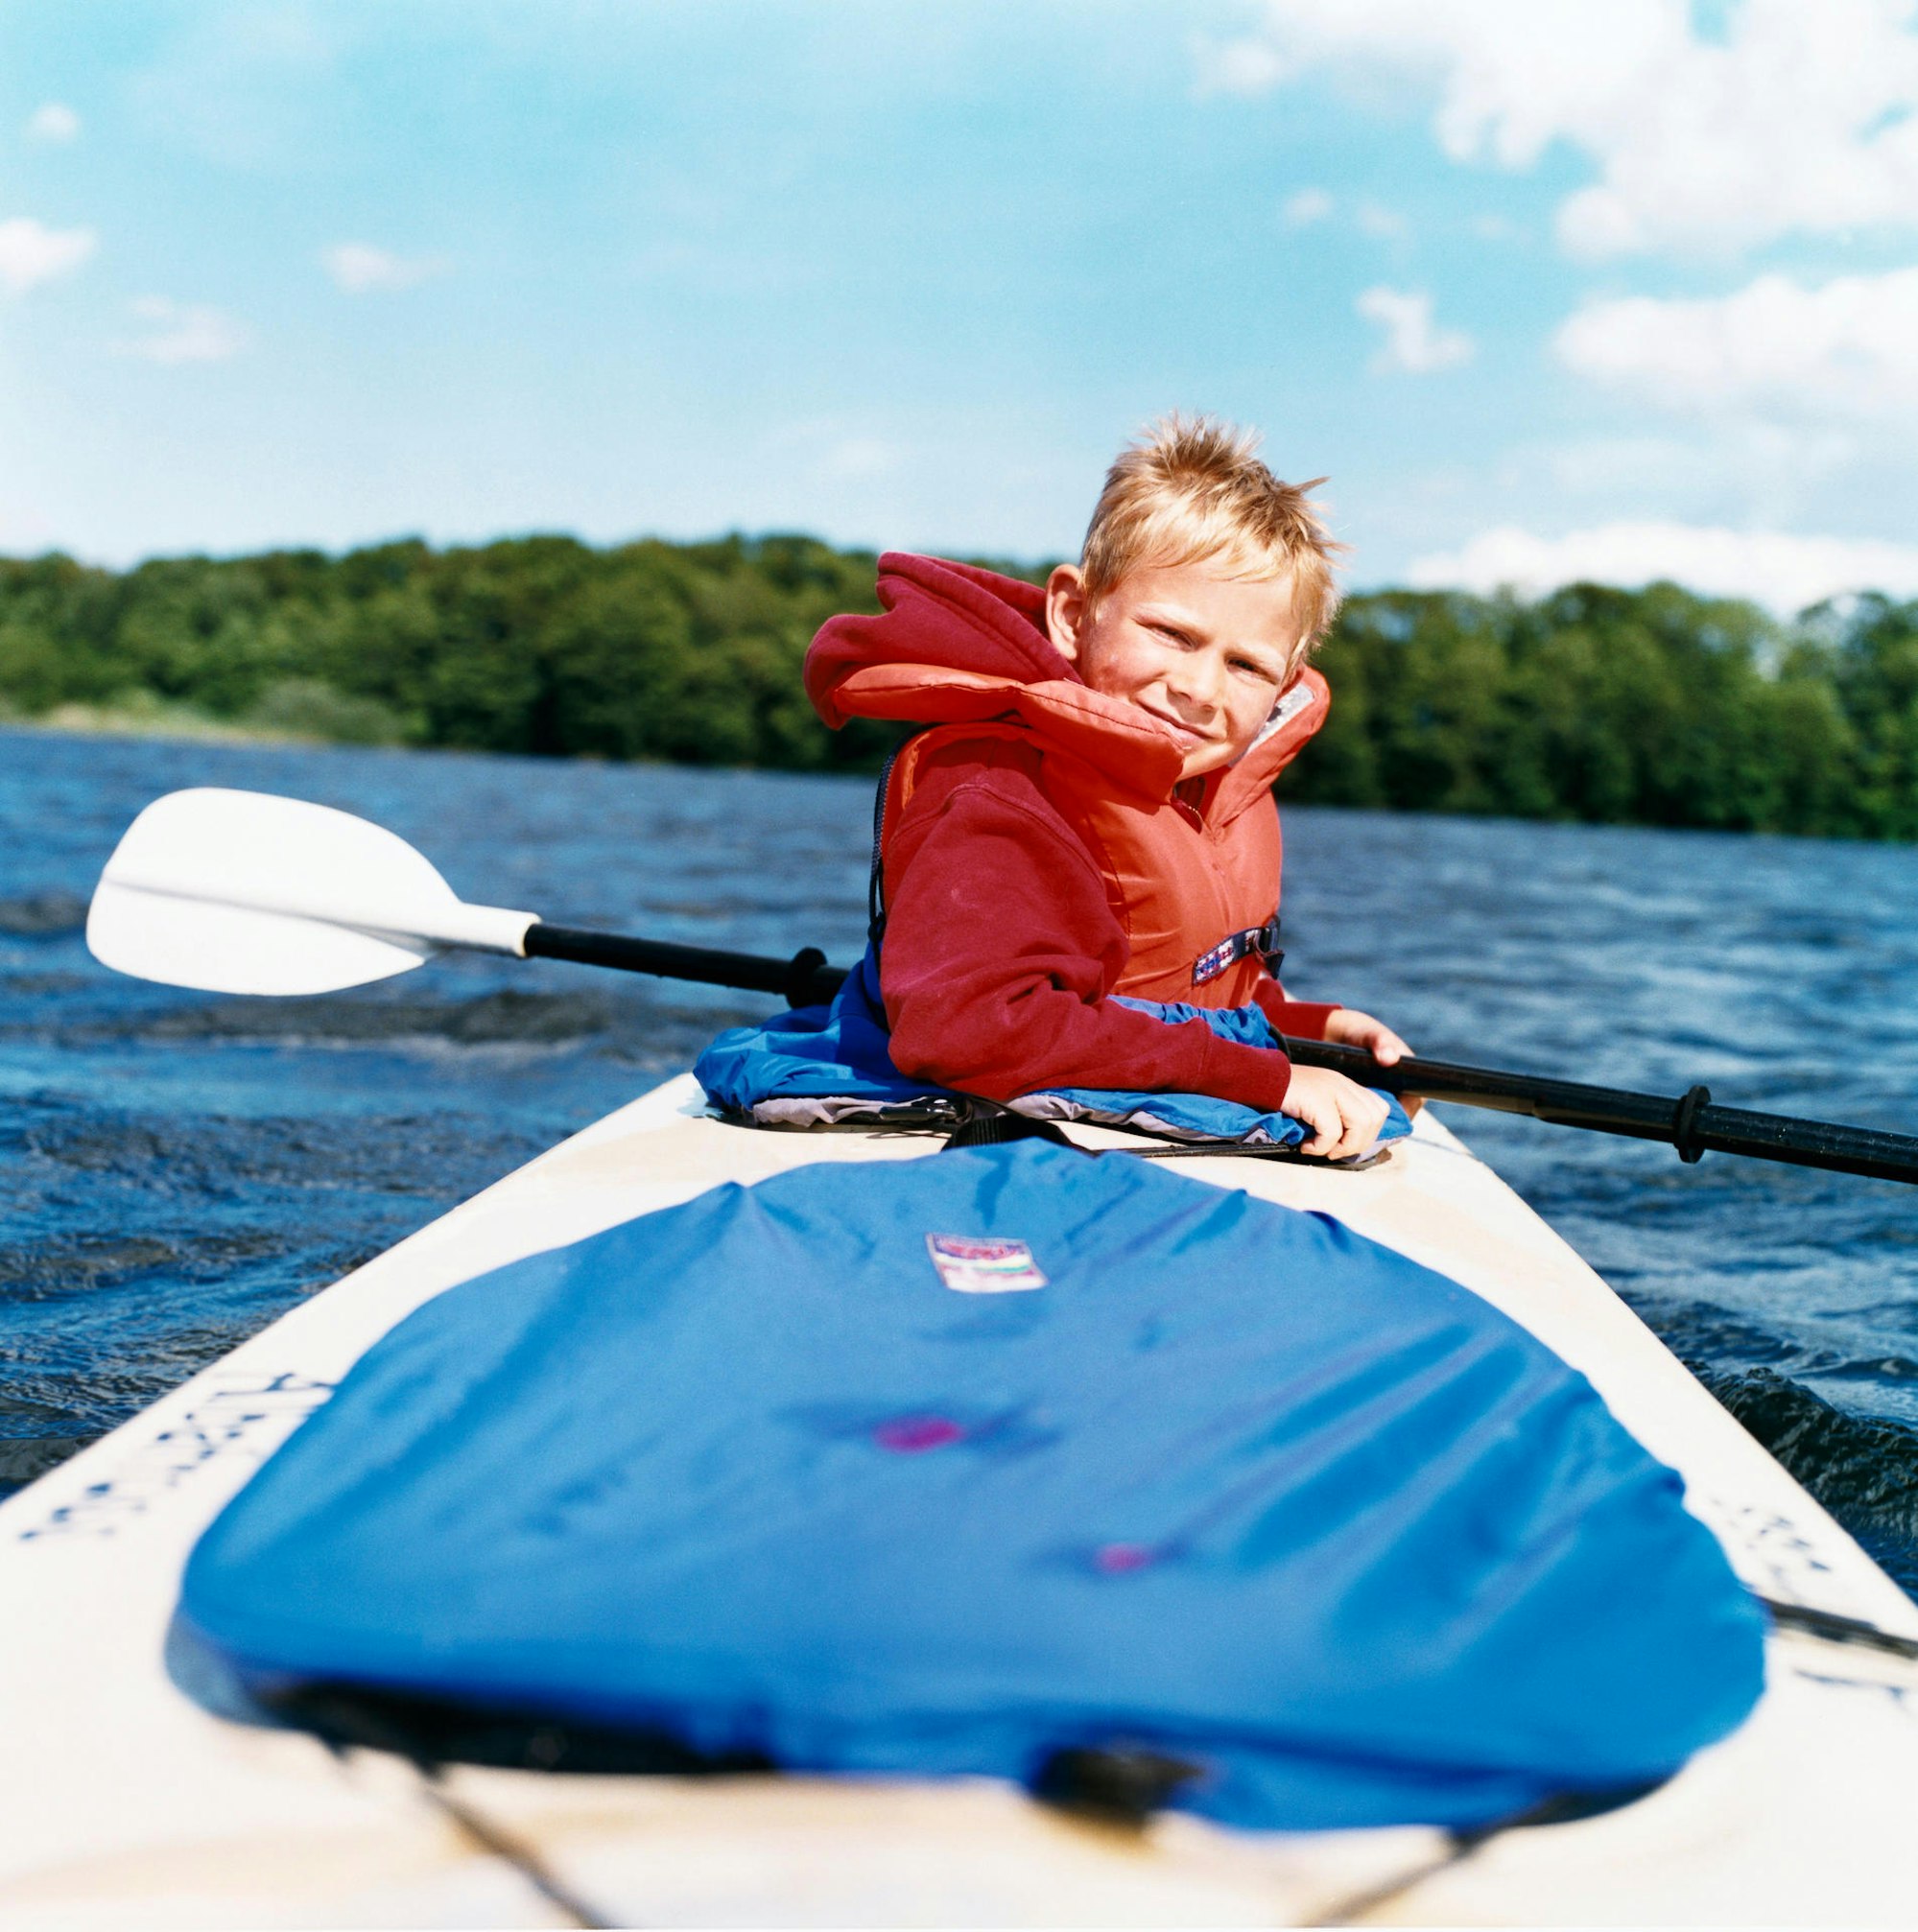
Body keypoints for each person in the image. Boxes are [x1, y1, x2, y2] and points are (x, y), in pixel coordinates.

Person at [803, 413, 1409, 1162]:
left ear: (1283, 683)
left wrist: (1309, 1028)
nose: (1197, 688)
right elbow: (969, 1026)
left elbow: (1172, 992)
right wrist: (1265, 1081)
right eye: (1172, 635)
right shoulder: (999, 788)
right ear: (1072, 614)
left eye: (1245, 666)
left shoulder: (1194, 788)